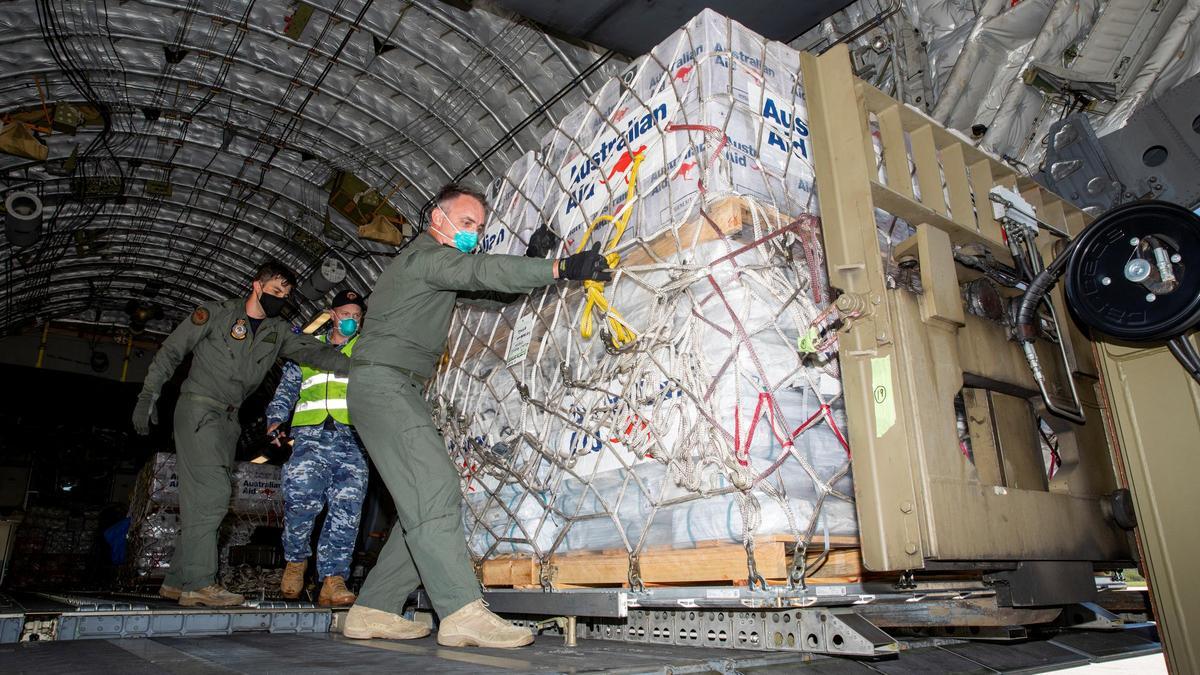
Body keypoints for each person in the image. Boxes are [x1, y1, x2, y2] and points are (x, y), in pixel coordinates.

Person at [340, 184, 610, 647]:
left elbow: (489, 294)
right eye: (466, 223)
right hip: (382, 383)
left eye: (479, 228)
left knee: (421, 504)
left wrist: (529, 259)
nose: (474, 233)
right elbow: (481, 268)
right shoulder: (424, 257)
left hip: (396, 386)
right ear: (436, 218)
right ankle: (461, 612)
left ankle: (374, 608)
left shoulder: (438, 269)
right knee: (436, 488)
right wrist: (561, 267)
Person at [133, 261, 352, 607]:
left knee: (200, 501)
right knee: (215, 494)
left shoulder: (277, 331)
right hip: (199, 409)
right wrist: (149, 394)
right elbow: (173, 350)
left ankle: (176, 581)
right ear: (257, 285)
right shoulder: (216, 315)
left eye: (286, 294)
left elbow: (315, 352)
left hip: (228, 421)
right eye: (276, 291)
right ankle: (200, 584)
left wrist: (362, 366)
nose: (281, 298)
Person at [264, 289, 367, 607]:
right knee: (301, 502)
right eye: (345, 314)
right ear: (332, 314)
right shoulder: (307, 347)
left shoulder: (364, 349)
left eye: (356, 316)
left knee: (347, 511)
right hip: (311, 438)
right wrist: (275, 419)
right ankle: (295, 564)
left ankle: (333, 580)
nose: (350, 320)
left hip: (352, 441)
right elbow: (288, 387)